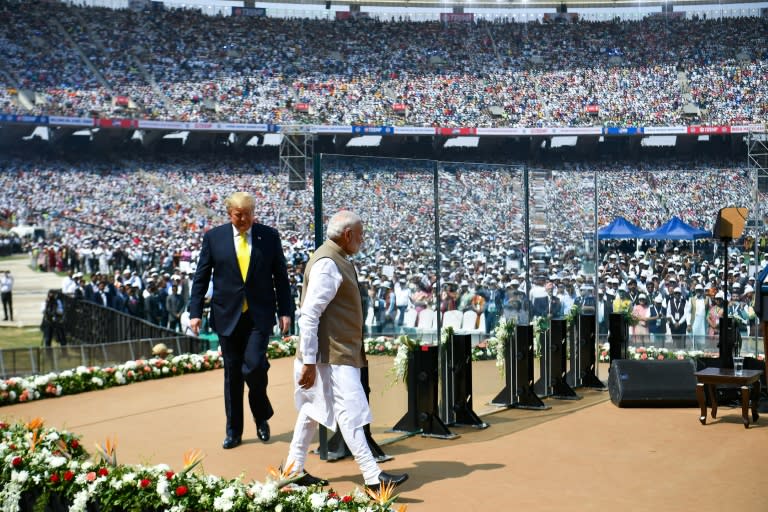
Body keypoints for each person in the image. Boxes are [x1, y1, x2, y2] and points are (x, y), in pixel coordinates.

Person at [285, 210, 408, 492]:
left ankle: (292, 468)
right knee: (351, 410)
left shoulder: (334, 258)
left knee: (311, 410)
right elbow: (309, 315)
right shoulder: (329, 263)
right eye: (360, 236)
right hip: (331, 355)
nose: (362, 241)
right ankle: (373, 477)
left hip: (331, 353)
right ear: (348, 235)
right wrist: (308, 360)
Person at [188, 191, 293, 450]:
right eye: (239, 215)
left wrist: (286, 311)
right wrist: (194, 312)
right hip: (226, 315)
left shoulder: (268, 236)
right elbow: (201, 277)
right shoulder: (215, 238)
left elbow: (280, 276)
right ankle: (234, 431)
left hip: (259, 315)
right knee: (232, 375)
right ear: (229, 214)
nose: (244, 219)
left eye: (248, 213)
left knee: (255, 366)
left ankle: (261, 413)